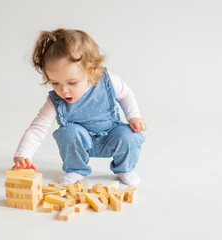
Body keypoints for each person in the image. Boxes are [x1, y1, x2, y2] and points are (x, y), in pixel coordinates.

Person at [12, 28, 147, 185]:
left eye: (72, 82)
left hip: (111, 136)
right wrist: (22, 155)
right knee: (68, 132)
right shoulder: (56, 101)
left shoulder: (107, 82)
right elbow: (37, 129)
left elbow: (125, 94)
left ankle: (125, 168)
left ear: (90, 73)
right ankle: (75, 170)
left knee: (129, 135)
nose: (63, 90)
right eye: (55, 82)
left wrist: (134, 116)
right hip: (80, 142)